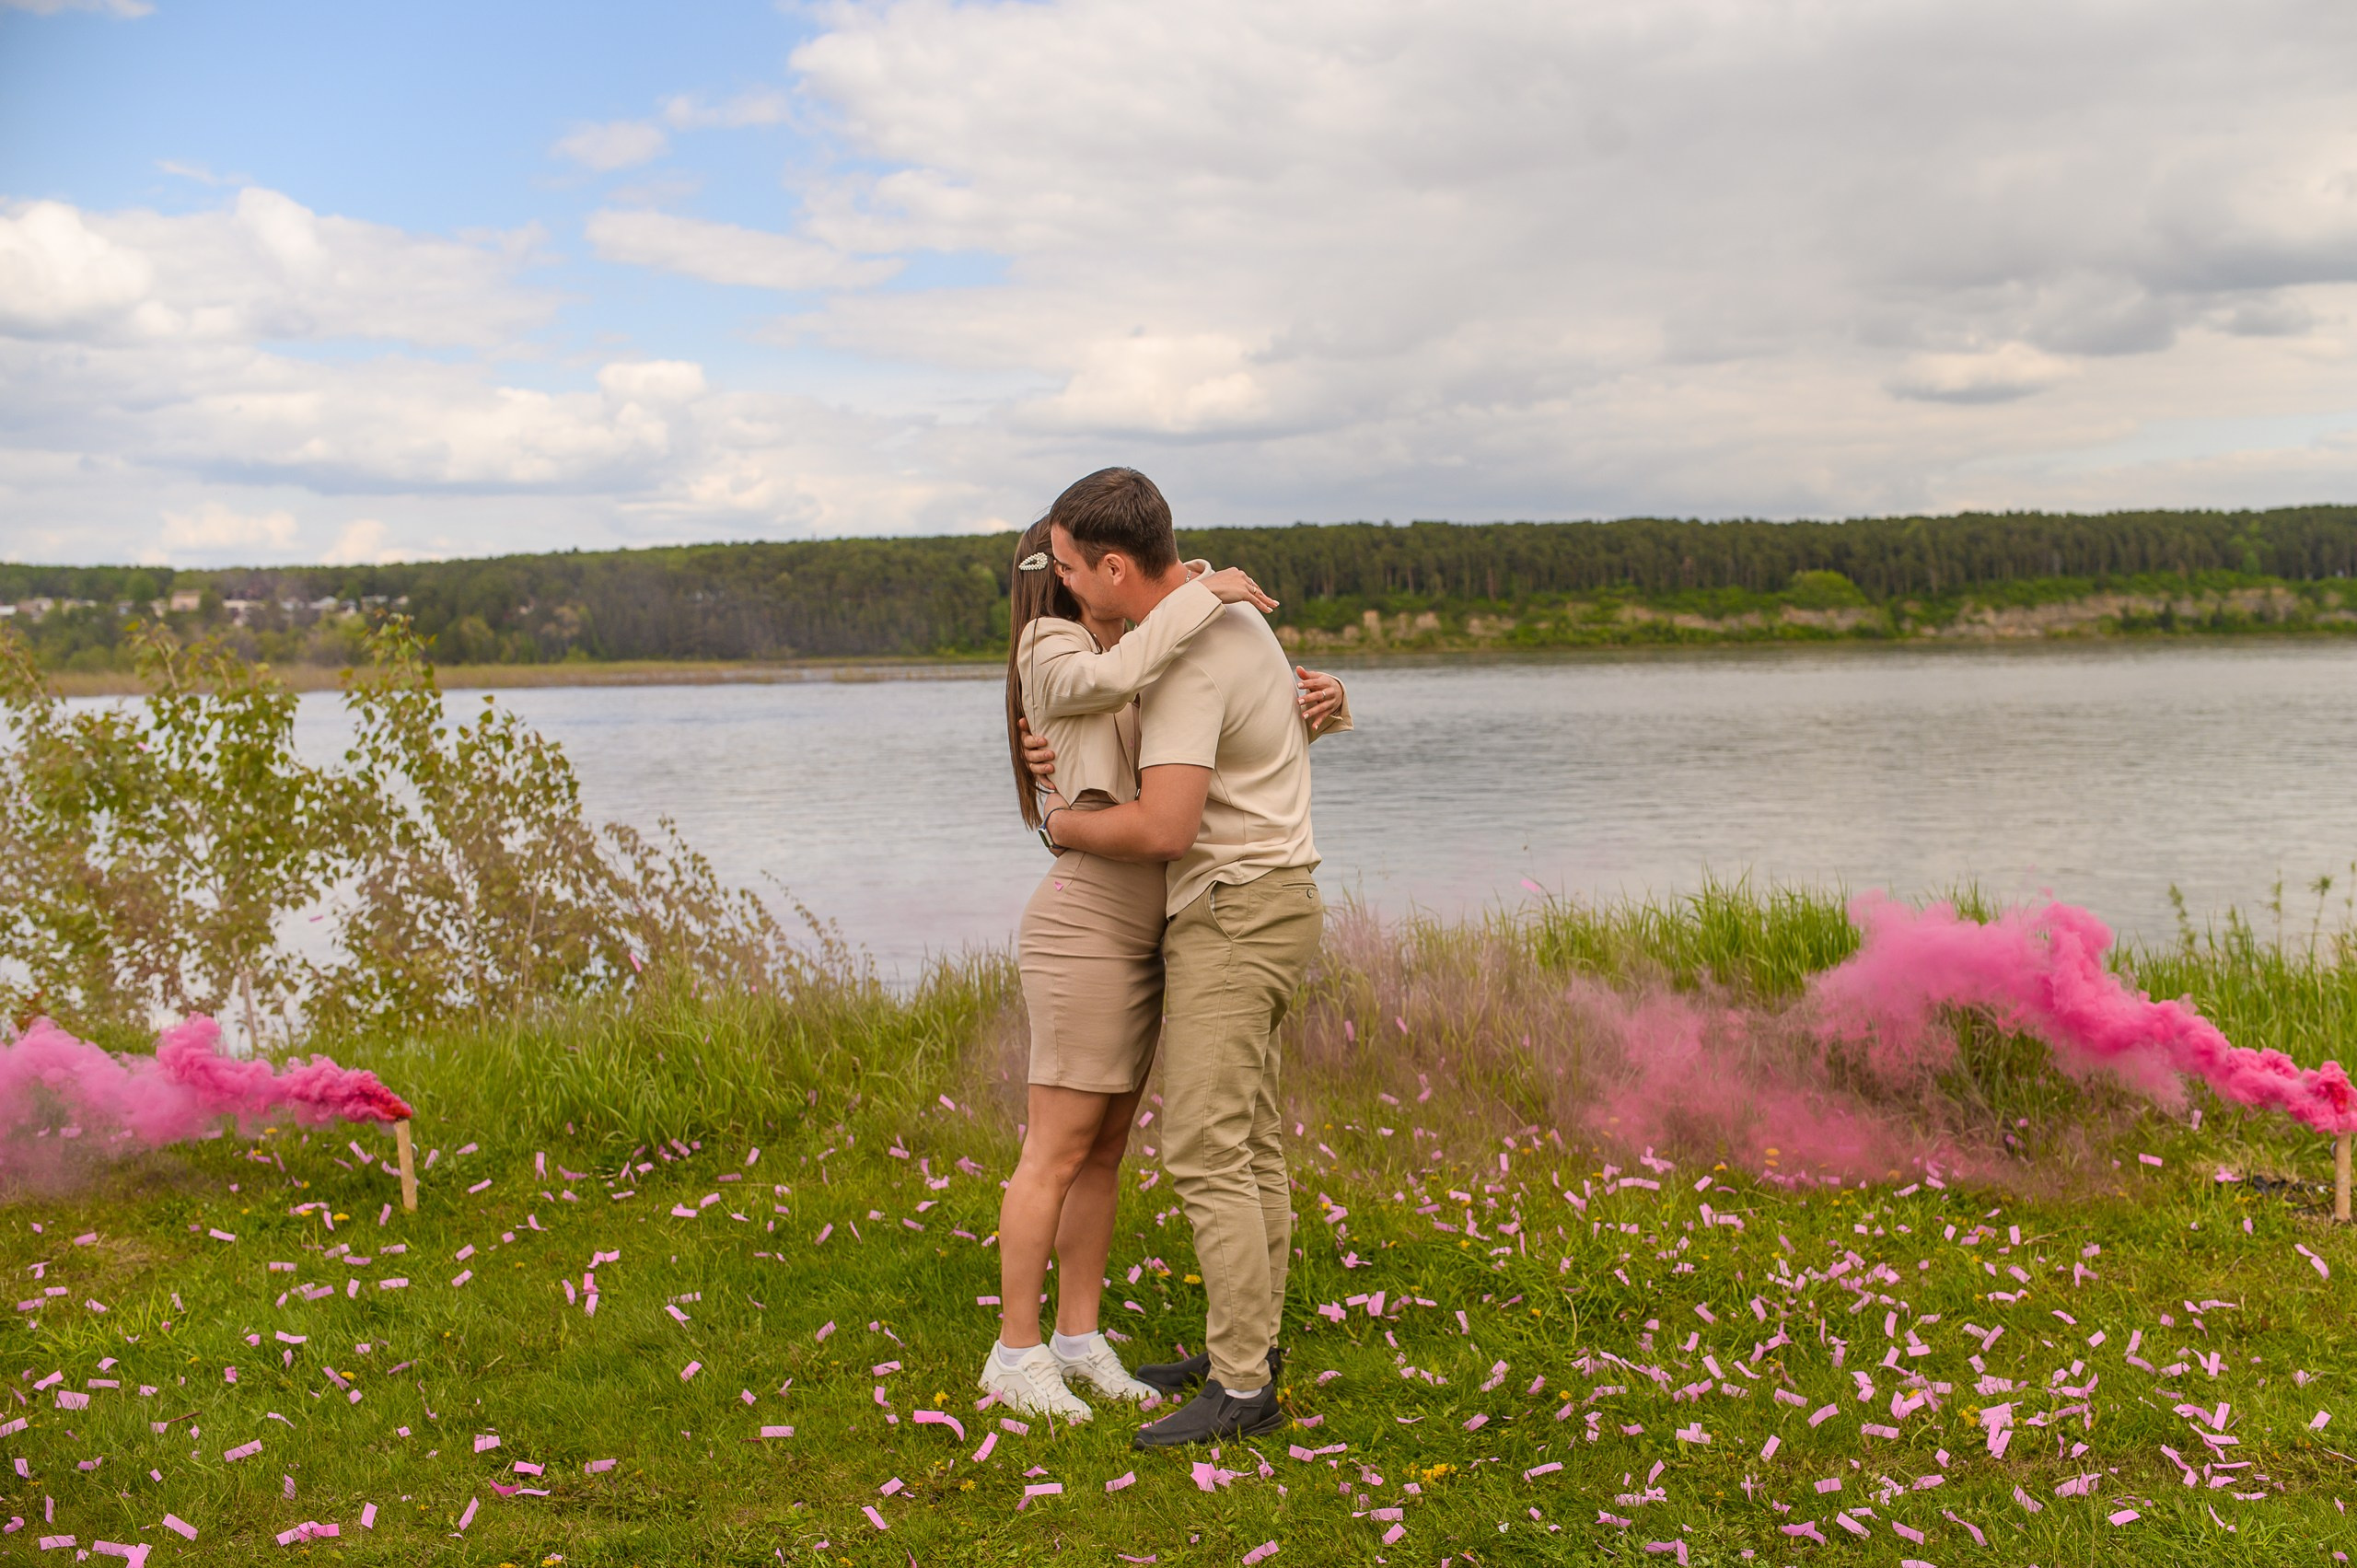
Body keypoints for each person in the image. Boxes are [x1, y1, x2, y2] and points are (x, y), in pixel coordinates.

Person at [979, 509, 1350, 1423]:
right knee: (1068, 1144)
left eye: (1081, 566)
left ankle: (1084, 1336)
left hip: (1173, 916)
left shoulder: (1149, 646)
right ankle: (1017, 1352)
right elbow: (1150, 785)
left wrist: (1325, 700)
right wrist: (1202, 587)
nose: (1074, 582)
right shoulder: (1055, 646)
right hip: (1094, 921)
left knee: (1113, 1146)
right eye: (1061, 567)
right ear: (1061, 576)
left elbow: (1230, 741)